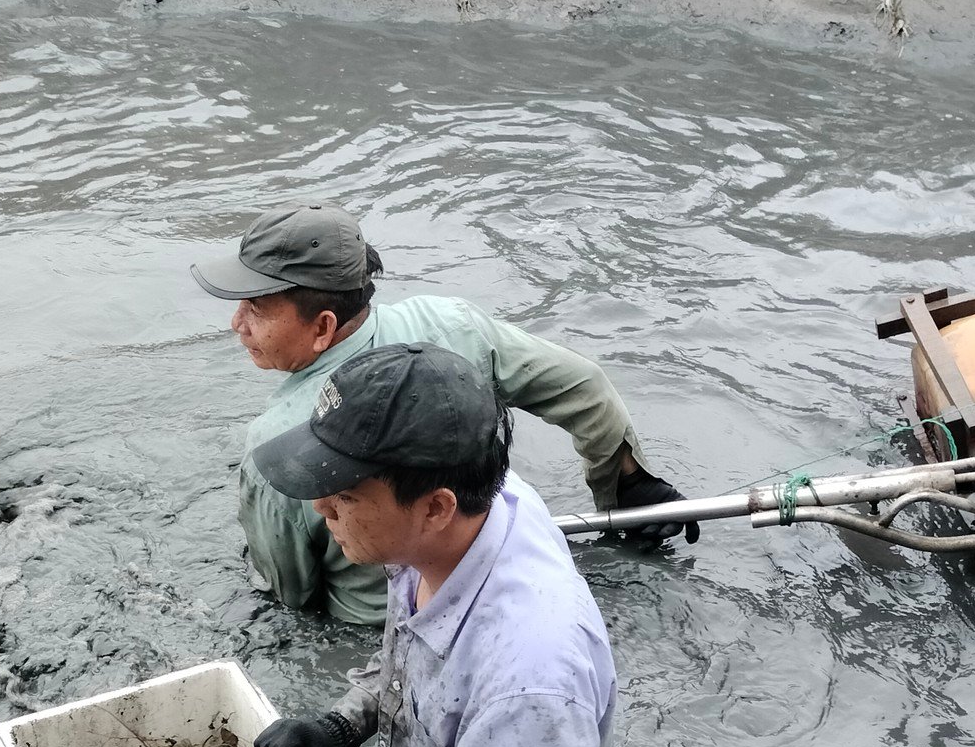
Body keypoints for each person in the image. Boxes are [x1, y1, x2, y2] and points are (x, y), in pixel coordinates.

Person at [212, 342, 617, 747]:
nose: (321, 509)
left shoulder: (530, 673)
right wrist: (342, 723)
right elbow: (418, 648)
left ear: (435, 507)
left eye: (344, 494)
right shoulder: (470, 516)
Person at [193, 202, 697, 625]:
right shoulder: (450, 323)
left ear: (323, 327)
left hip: (379, 632)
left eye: (255, 308)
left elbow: (293, 597)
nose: (237, 323)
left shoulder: (275, 444)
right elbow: (585, 388)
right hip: (499, 579)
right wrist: (626, 485)